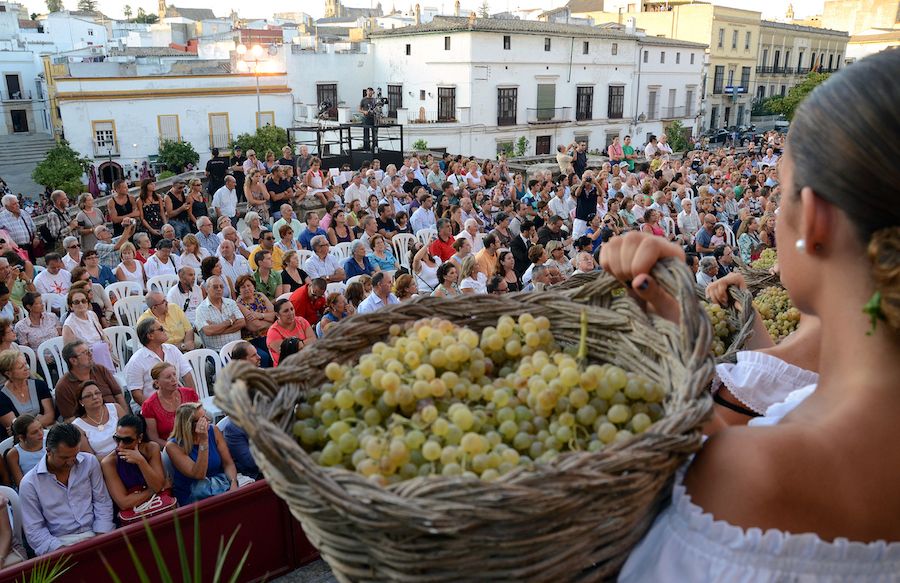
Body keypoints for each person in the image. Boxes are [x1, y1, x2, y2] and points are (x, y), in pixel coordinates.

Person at [618, 49, 900, 582]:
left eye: (779, 194)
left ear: (813, 218)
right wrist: (680, 327)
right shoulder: (811, 404)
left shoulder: (754, 476)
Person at [20, 423, 114, 555]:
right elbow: (34, 530)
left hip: (95, 532)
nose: (71, 461)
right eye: (64, 458)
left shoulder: (90, 462)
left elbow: (102, 502)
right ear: (48, 451)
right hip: (58, 543)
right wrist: (61, 551)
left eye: (75, 455)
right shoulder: (29, 483)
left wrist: (101, 535)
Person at [166, 403, 239, 507]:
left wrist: (233, 483)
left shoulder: (213, 430)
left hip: (220, 484)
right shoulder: (173, 446)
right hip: (194, 494)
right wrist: (203, 441)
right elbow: (199, 474)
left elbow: (228, 463)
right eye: (203, 419)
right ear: (189, 425)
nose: (208, 419)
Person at [100, 414, 167, 515]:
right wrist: (151, 491)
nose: (121, 445)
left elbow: (157, 485)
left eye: (127, 440)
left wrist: (141, 461)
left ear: (139, 437)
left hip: (160, 506)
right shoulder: (109, 462)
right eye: (117, 439)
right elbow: (124, 503)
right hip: (135, 514)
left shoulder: (151, 449)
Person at [125, 318, 195, 410]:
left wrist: (192, 401)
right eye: (161, 329)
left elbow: (187, 375)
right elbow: (137, 395)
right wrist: (158, 411)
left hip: (176, 402)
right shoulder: (136, 361)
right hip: (149, 407)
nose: (165, 330)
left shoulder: (172, 349)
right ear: (150, 336)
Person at [55, 340, 127, 420]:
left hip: (115, 418)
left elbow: (118, 395)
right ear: (73, 361)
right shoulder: (63, 386)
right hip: (89, 427)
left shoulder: (100, 370)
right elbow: (70, 419)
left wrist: (125, 420)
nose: (90, 354)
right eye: (85, 353)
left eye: (90, 350)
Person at [141, 362, 200, 448]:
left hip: (196, 441)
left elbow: (202, 418)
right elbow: (154, 438)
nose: (174, 379)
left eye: (174, 375)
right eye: (168, 377)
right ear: (157, 383)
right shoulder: (149, 406)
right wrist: (176, 449)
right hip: (170, 448)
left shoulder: (190, 394)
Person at [61, 288, 115, 372]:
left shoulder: (92, 315)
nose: (81, 304)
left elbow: (101, 333)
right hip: (85, 364)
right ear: (71, 306)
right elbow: (69, 353)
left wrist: (107, 341)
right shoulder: (69, 325)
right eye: (76, 302)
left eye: (83, 301)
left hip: (102, 356)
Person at [73, 381, 126, 459]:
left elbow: (132, 433)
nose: (95, 397)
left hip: (127, 453)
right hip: (103, 464)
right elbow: (91, 459)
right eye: (88, 396)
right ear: (81, 402)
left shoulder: (116, 408)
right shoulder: (77, 426)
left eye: (97, 393)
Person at [235, 274, 276, 366]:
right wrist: (268, 318)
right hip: (252, 340)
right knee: (264, 356)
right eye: (242, 287)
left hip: (269, 334)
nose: (246, 289)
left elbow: (274, 316)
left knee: (282, 348)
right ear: (239, 290)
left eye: (249, 285)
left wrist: (259, 315)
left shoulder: (260, 296)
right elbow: (255, 326)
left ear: (254, 286)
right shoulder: (239, 304)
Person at [266, 298, 315, 366]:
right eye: (286, 311)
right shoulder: (273, 332)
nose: (291, 313)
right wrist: (303, 344)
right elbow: (287, 353)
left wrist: (297, 345)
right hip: (287, 367)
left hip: (307, 360)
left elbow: (313, 341)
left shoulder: (301, 321)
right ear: (277, 315)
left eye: (292, 309)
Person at [7, 414, 45, 487]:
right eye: (34, 432)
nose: (40, 433)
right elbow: (21, 484)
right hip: (31, 488)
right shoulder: (14, 454)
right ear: (21, 437)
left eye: (41, 428)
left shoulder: (50, 442)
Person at [137, 179, 166, 244]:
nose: (153, 185)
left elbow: (162, 212)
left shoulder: (158, 197)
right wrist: (151, 229)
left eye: (153, 183)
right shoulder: (140, 200)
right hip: (149, 225)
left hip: (159, 223)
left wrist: (165, 225)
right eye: (150, 184)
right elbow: (142, 218)